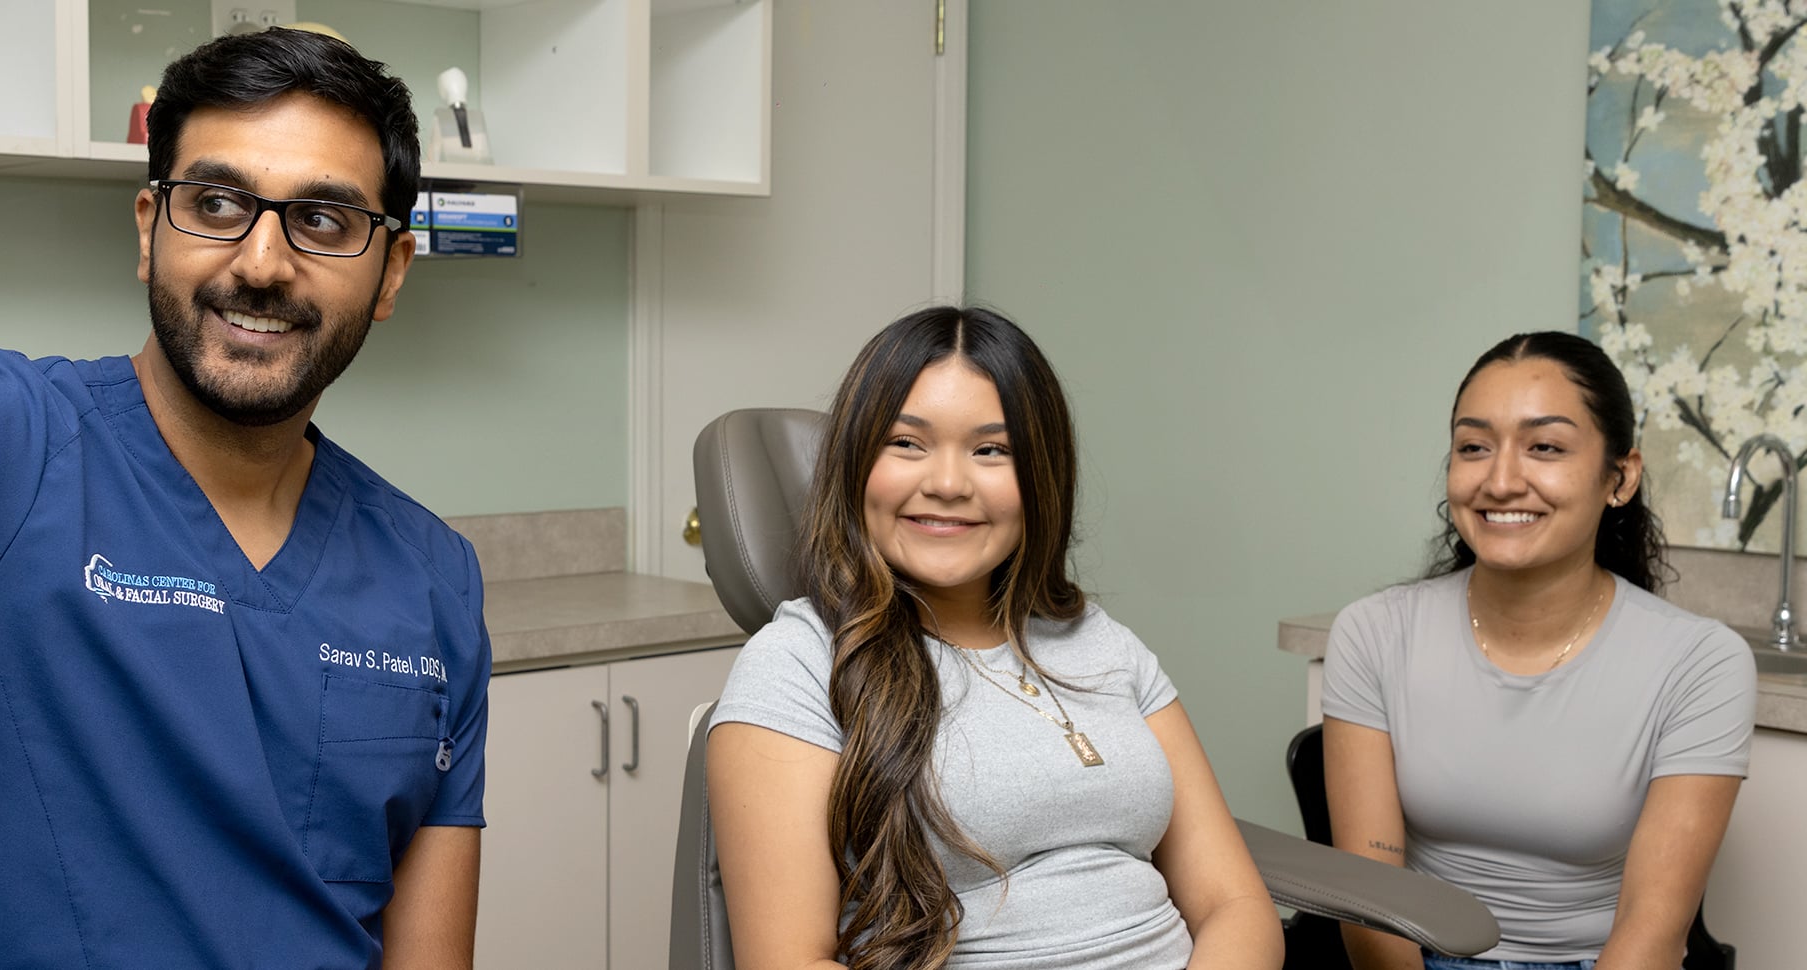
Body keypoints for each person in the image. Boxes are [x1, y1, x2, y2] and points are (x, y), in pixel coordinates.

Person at [0, 28, 489, 968]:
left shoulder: (433, 579)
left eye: (324, 221)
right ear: (148, 227)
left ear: (391, 273)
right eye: (216, 203)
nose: (260, 262)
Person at [705, 306, 1282, 970]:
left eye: (991, 450)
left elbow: (1234, 903)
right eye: (907, 443)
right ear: (855, 467)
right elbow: (789, 962)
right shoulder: (798, 664)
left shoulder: (1101, 641)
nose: (948, 484)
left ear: (1040, 479)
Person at [1322, 331, 1756, 970]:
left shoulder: (1701, 663)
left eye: (1545, 447)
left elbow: (1653, 935)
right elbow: (1372, 909)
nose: (1500, 480)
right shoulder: (1372, 632)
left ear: (1620, 476)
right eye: (1474, 447)